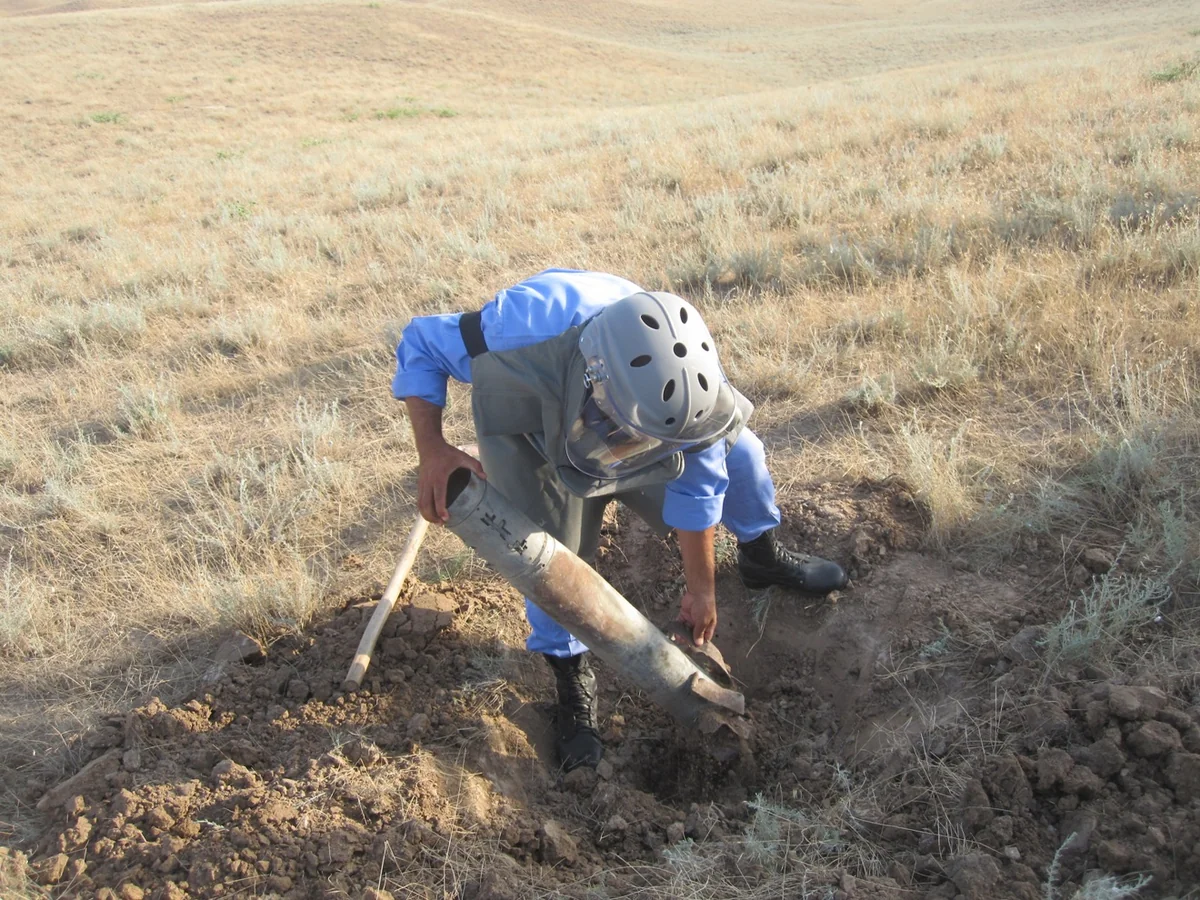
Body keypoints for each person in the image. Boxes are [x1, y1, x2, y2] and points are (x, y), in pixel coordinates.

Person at [392, 269, 847, 772]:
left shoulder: (684, 380)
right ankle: (570, 678)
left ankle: (761, 556)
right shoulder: (512, 332)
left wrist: (702, 591)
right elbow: (420, 343)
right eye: (626, 433)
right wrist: (431, 449)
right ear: (598, 379)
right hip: (537, 437)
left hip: (636, 419)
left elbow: (699, 483)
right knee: (546, 553)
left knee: (744, 457)